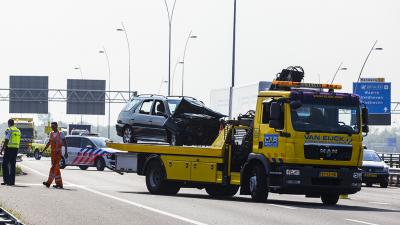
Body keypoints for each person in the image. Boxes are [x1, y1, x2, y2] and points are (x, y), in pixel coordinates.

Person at [42, 122, 68, 189]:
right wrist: (43, 150)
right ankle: (59, 184)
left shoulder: (61, 133)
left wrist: (66, 152)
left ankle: (48, 182)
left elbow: (65, 142)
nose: (52, 127)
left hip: (58, 154)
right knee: (56, 169)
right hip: (53, 154)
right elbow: (49, 143)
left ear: (56, 126)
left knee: (53, 167)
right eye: (51, 126)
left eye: (53, 126)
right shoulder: (51, 133)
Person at [0, 119, 21, 186]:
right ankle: (12, 182)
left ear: (9, 123)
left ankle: (6, 181)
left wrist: (2, 149)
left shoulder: (9, 130)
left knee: (4, 164)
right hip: (15, 149)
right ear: (13, 123)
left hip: (9, 149)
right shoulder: (18, 130)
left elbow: (6, 140)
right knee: (12, 165)